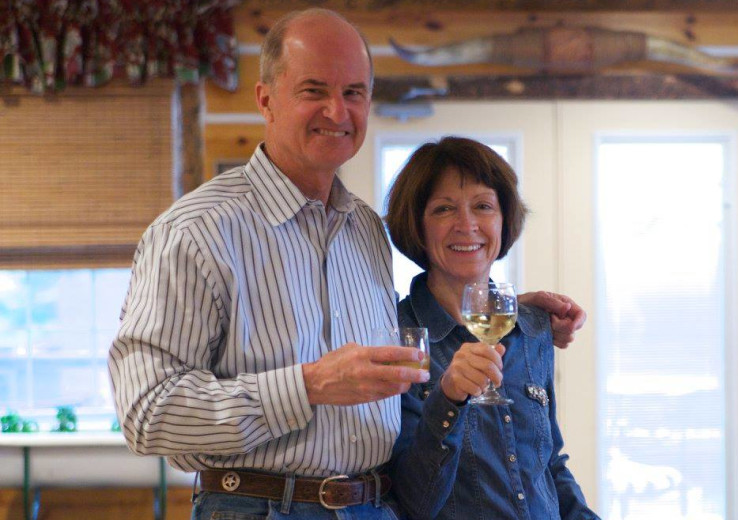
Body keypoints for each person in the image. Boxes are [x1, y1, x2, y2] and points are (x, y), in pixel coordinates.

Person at [108, 8, 585, 520]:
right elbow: (146, 414)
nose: (337, 112)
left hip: (374, 507)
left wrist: (503, 313)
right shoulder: (195, 231)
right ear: (266, 99)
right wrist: (308, 384)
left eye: (353, 92)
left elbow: (414, 325)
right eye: (314, 90)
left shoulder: (364, 229)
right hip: (261, 507)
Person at [385, 136, 598, 519]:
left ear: (504, 219)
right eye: (443, 209)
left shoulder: (534, 328)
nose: (466, 225)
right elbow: (414, 502)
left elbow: (549, 466)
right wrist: (447, 401)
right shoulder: (395, 336)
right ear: (417, 225)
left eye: (483, 206)